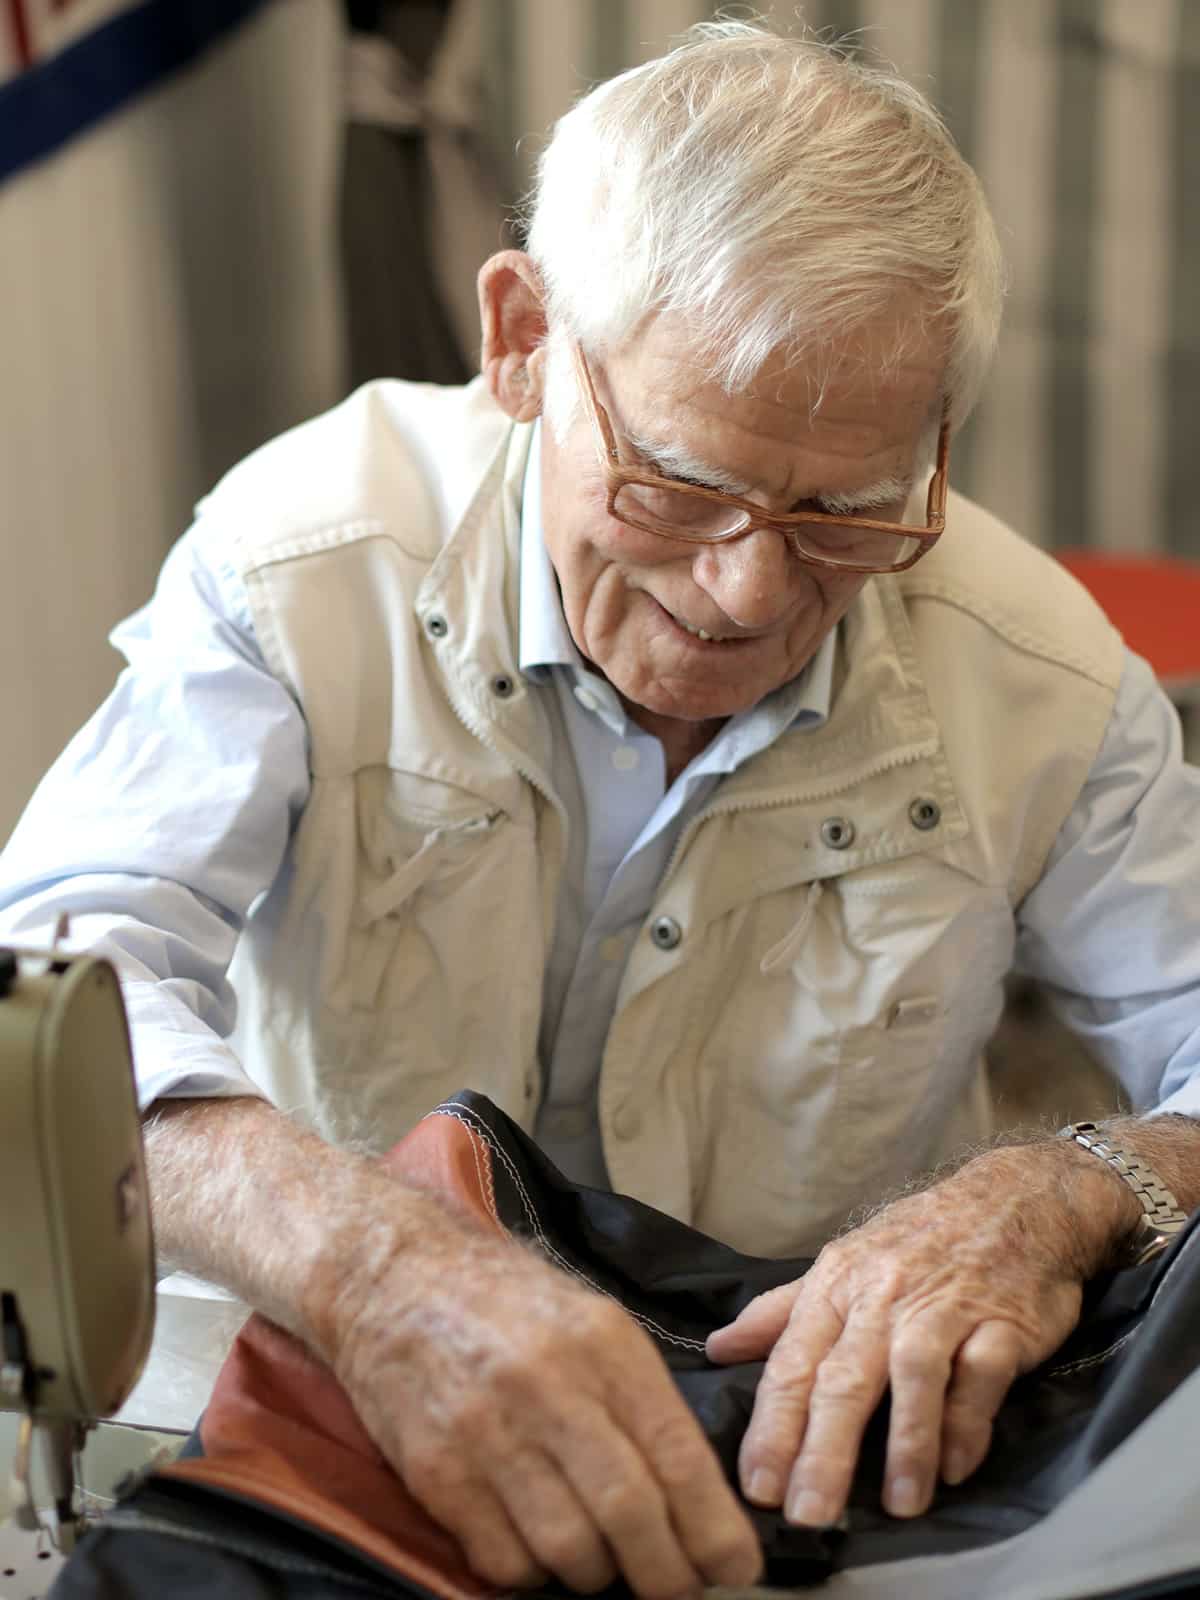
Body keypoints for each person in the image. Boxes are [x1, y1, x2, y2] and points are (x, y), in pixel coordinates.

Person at [2, 20, 1199, 1600]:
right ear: (521, 341)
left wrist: (1052, 1195)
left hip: (788, 1459)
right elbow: (61, 997)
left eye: (846, 511)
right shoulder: (306, 565)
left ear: (938, 446)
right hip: (320, 1415)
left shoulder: (1043, 677)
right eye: (679, 487)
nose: (750, 590)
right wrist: (373, 1267)